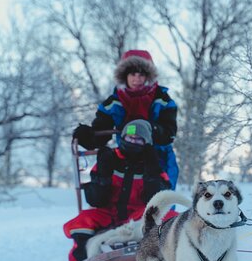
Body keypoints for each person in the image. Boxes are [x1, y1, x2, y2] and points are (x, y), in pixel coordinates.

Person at [63, 120, 170, 261]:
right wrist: (103, 178)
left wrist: (152, 174)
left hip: (137, 216)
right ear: (123, 138)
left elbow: (160, 199)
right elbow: (95, 200)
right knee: (82, 222)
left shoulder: (152, 163)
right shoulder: (109, 158)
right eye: (130, 137)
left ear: (146, 143)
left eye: (138, 140)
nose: (133, 142)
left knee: (171, 219)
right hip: (108, 212)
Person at [72, 49, 179, 189]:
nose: (137, 79)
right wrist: (88, 136)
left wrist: (146, 128)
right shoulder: (114, 103)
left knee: (160, 205)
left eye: (141, 74)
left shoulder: (163, 101)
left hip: (159, 158)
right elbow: (101, 133)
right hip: (126, 157)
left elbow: (168, 134)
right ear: (124, 76)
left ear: (148, 77)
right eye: (132, 74)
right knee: (122, 203)